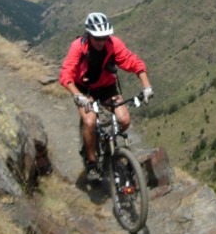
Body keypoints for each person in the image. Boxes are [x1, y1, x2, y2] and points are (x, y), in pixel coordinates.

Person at [59, 12, 153, 182]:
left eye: (104, 37)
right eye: (97, 38)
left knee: (124, 120)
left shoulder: (113, 44)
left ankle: (109, 148)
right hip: (84, 90)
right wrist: (78, 96)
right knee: (89, 121)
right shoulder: (78, 47)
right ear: (89, 35)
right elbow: (66, 74)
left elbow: (133, 62)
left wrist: (146, 86)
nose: (102, 41)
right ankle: (91, 161)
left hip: (107, 87)